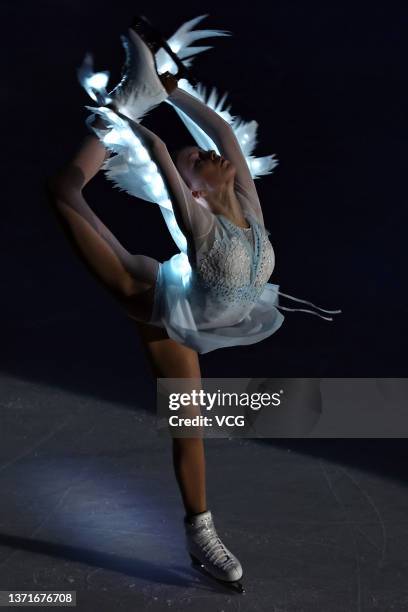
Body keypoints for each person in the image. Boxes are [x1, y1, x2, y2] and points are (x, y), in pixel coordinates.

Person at [45, 16, 340, 591]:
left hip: (185, 310)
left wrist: (176, 92)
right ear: (197, 189)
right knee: (60, 192)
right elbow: (157, 150)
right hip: (149, 296)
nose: (210, 153)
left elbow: (224, 134)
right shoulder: (199, 222)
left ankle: (198, 533)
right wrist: (131, 110)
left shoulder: (248, 204)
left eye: (205, 154)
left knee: (189, 424)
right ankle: (125, 99)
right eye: (198, 159)